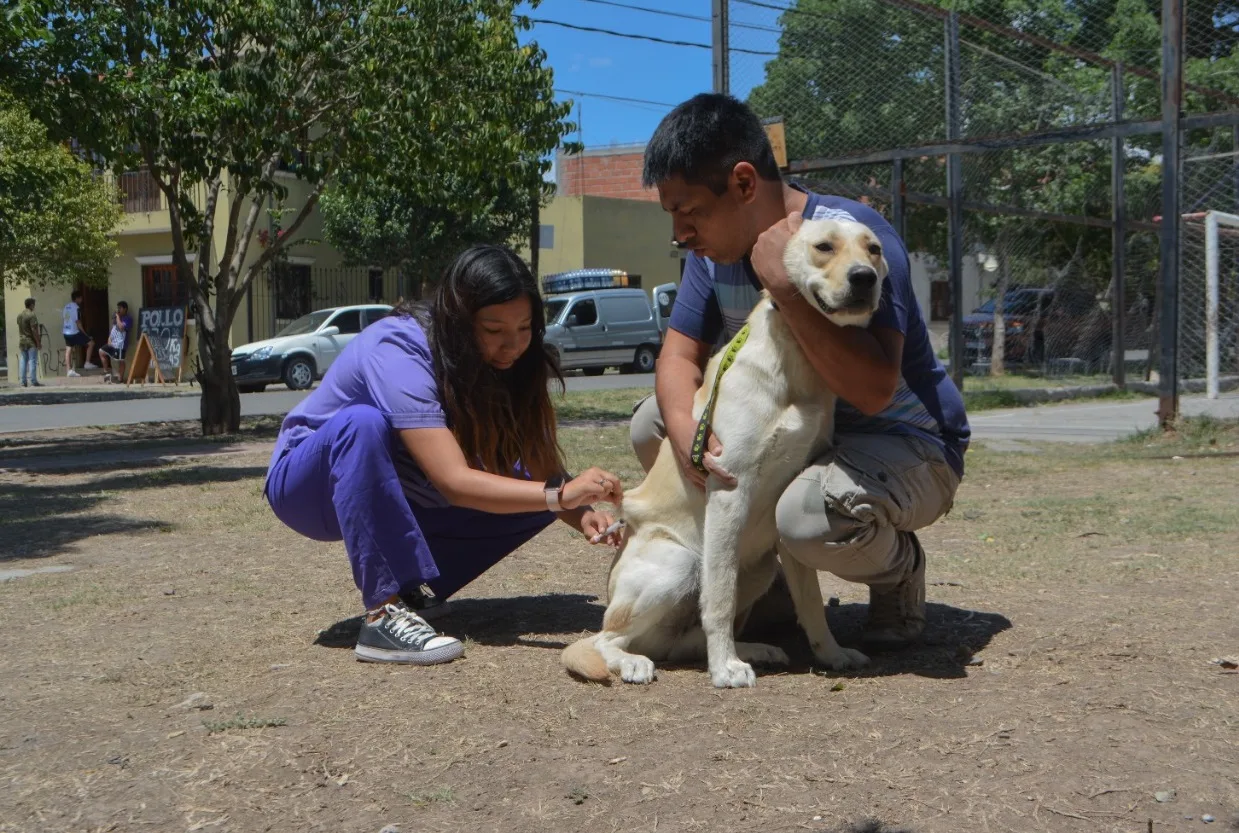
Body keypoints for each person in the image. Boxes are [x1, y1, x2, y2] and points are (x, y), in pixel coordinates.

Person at [632, 93, 971, 651]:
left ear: (744, 185)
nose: (681, 234)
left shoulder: (853, 240)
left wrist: (785, 287)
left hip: (902, 442)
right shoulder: (709, 257)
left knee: (809, 517)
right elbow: (677, 356)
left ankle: (897, 570)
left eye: (689, 212)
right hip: (808, 438)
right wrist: (686, 428)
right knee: (654, 424)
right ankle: (767, 588)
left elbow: (872, 390)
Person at [265, 245, 626, 666]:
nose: (512, 346)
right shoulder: (400, 344)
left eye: (525, 327)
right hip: (310, 488)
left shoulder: (510, 363)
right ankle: (382, 616)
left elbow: (540, 468)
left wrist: (580, 511)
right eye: (493, 330)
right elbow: (452, 482)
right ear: (458, 320)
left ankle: (412, 590)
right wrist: (560, 495)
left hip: (395, 486)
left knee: (530, 489)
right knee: (362, 423)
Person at [61, 289, 98, 376]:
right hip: (74, 332)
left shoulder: (66, 306)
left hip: (66, 332)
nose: (81, 300)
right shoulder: (77, 308)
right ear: (77, 298)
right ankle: (87, 363)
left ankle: (68, 370)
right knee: (91, 343)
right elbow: (78, 322)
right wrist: (86, 334)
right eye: (81, 298)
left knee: (68, 349)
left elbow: (65, 318)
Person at [99, 301, 133, 383]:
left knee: (120, 360)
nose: (118, 310)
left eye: (120, 308)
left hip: (121, 344)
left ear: (125, 309)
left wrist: (118, 317)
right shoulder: (116, 318)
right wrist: (109, 338)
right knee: (101, 351)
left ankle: (120, 379)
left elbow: (121, 327)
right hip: (113, 343)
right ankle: (106, 372)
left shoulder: (128, 319)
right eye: (118, 308)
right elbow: (113, 329)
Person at [16, 298, 43, 387]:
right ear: (31, 305)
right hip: (31, 341)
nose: (34, 306)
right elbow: (34, 330)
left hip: (22, 340)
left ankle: (23, 381)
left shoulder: (20, 315)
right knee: (32, 360)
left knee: (23, 360)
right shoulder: (32, 315)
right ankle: (33, 380)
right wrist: (38, 342)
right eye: (33, 304)